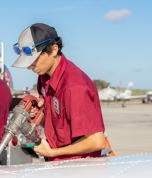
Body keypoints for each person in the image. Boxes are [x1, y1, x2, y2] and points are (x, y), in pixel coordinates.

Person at [12, 23, 106, 161]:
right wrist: (39, 115)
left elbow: (96, 141)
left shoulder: (74, 86)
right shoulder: (44, 78)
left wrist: (52, 153)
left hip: (79, 168)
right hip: (57, 166)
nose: (29, 66)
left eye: (34, 60)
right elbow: (57, 123)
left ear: (54, 49)